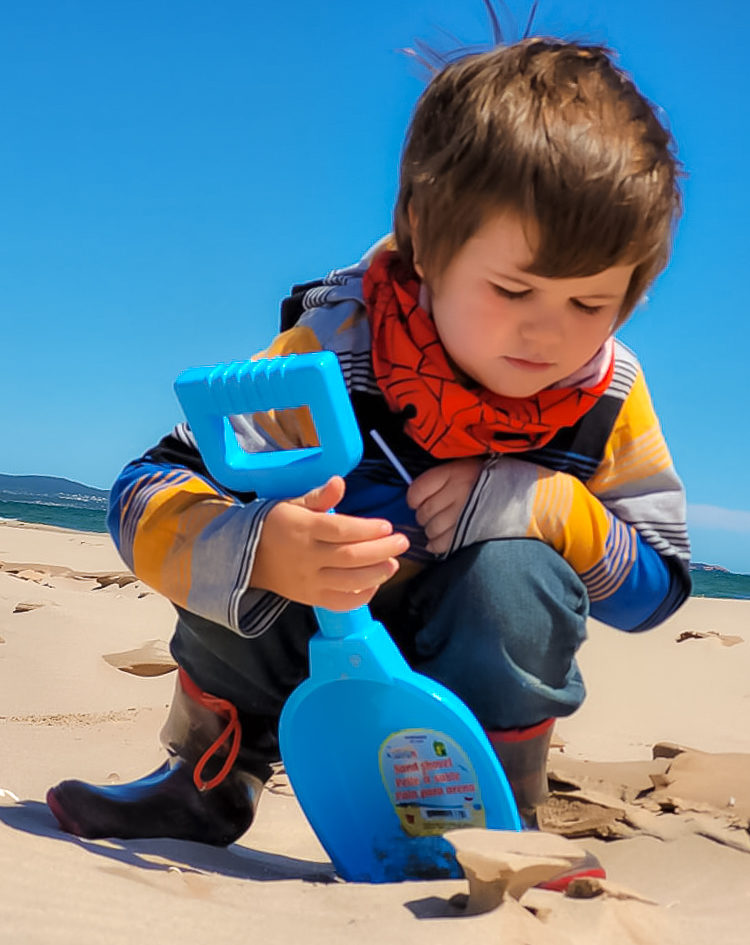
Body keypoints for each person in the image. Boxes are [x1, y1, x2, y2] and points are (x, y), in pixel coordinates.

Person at [47, 39, 690, 886]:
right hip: (306, 642)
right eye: (513, 290)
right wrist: (260, 545)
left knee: (518, 576)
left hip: (472, 677)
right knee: (238, 539)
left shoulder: (607, 396)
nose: (549, 333)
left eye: (591, 302)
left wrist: (549, 508)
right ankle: (206, 778)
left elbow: (659, 590)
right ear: (424, 239)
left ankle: (507, 819)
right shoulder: (335, 350)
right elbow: (145, 492)